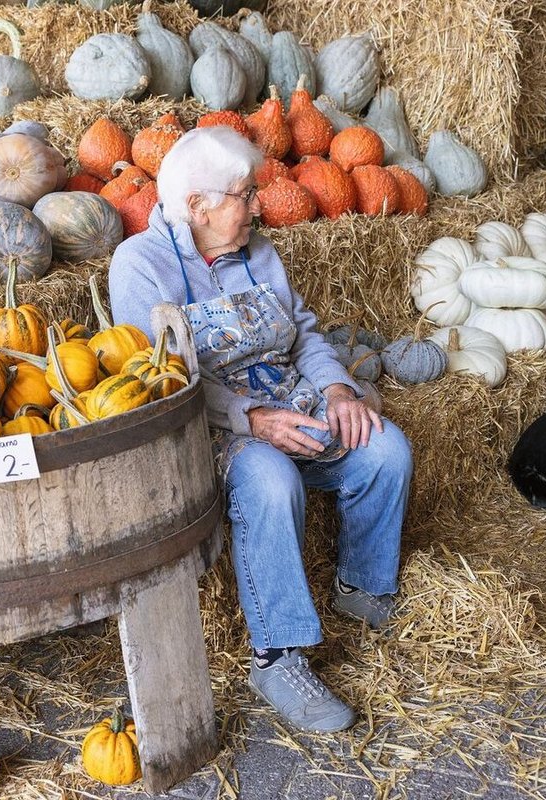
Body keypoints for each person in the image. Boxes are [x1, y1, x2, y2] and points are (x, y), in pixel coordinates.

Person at [108, 126, 413, 733]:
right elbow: (159, 378)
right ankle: (278, 656)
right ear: (196, 205)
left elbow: (303, 333)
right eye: (244, 196)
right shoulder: (140, 265)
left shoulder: (260, 254)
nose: (258, 207)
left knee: (385, 448)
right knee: (271, 480)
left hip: (290, 402)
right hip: (209, 426)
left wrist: (336, 389)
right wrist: (249, 418)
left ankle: (362, 590)